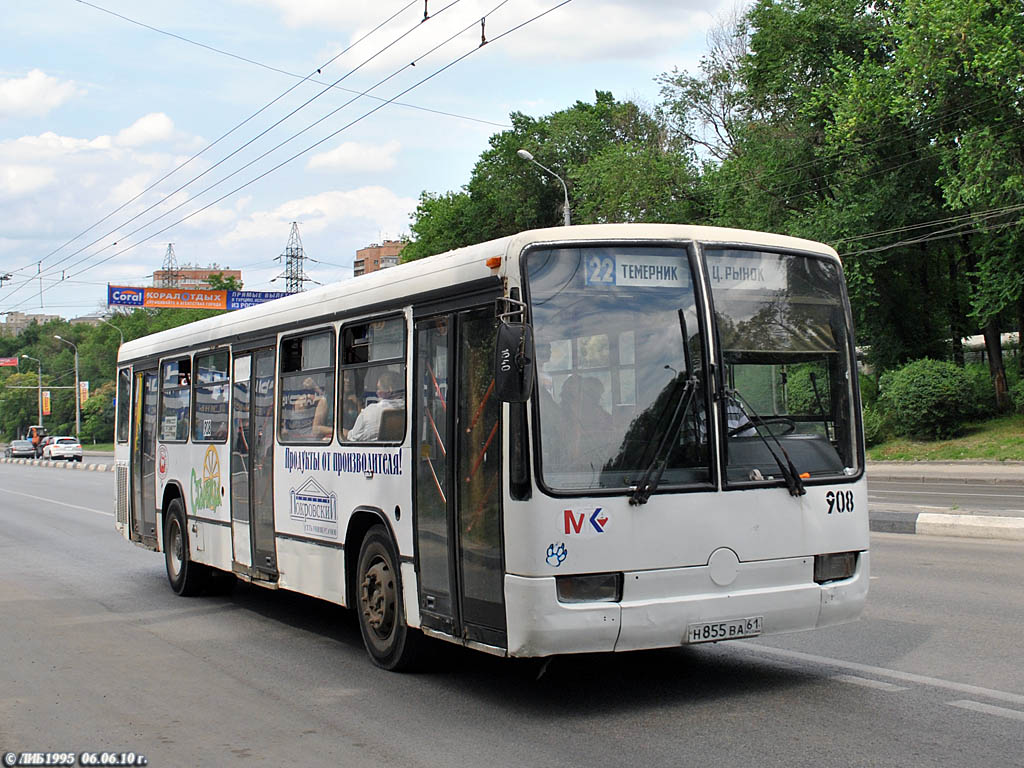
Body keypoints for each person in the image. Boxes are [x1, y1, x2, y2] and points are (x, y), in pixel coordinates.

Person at [347, 370, 403, 442]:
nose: (377, 393)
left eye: (378, 389)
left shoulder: (370, 411)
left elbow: (353, 437)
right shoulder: (409, 409)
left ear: (389, 390)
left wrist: (346, 433)